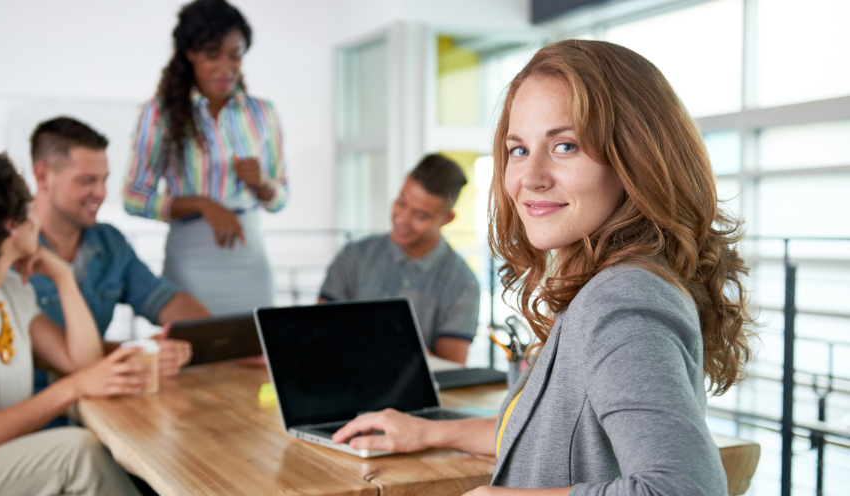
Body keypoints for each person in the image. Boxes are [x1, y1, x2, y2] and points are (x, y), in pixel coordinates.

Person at [332, 39, 754, 495]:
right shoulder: (602, 287)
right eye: (518, 150)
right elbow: (541, 437)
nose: (530, 177)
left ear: (635, 158)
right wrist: (429, 431)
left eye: (565, 146)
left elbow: (686, 490)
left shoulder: (622, 299)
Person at [0, 151, 146, 495]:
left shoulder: (11, 294)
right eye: (30, 207)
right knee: (76, 453)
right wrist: (73, 387)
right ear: (11, 223)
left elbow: (82, 361)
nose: (38, 215)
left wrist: (64, 277)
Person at [123, 0, 288, 315]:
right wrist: (202, 204)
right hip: (191, 260)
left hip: (249, 259)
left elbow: (280, 199)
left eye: (235, 55)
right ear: (190, 54)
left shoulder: (262, 113)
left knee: (255, 356)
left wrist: (264, 183)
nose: (226, 68)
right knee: (193, 353)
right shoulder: (158, 113)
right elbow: (133, 197)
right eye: (213, 55)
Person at [30, 117, 209, 394]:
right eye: (87, 181)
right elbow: (39, 352)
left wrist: (222, 335)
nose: (101, 193)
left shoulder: (109, 242)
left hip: (101, 401)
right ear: (43, 176)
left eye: (104, 180)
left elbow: (161, 297)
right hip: (37, 410)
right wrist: (140, 353)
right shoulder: (10, 249)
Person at [318, 154, 480, 364]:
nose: (402, 218)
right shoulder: (354, 256)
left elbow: (451, 370)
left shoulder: (463, 283)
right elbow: (318, 332)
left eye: (420, 215)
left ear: (447, 219)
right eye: (401, 202)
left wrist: (394, 342)